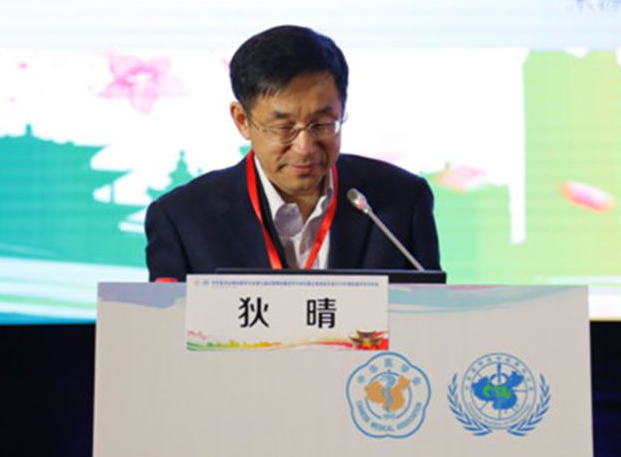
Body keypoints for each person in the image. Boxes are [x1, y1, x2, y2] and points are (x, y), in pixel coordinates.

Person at [144, 25, 441, 281]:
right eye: (284, 127)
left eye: (322, 124)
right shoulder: (183, 219)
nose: (305, 147)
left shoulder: (402, 201)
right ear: (242, 120)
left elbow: (431, 316)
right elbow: (167, 324)